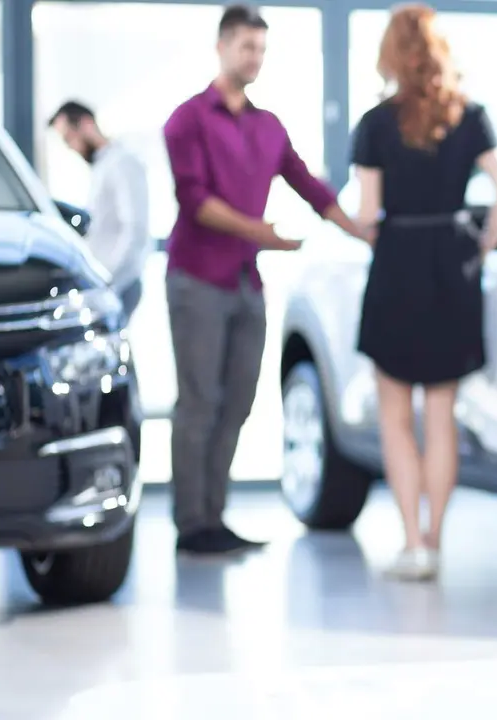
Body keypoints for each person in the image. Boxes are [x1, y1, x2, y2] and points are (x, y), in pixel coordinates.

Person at [163, 3, 369, 555]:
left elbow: (311, 187)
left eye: (261, 49)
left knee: (238, 402)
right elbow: (196, 201)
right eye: (246, 47)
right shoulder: (187, 120)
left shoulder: (268, 125)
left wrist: (363, 232)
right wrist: (265, 234)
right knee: (199, 401)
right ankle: (191, 524)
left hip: (245, 284)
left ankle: (215, 515)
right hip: (197, 279)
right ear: (222, 47)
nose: (255, 58)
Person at [351, 3, 497, 581]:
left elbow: (368, 215)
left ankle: (413, 543)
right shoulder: (471, 116)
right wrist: (480, 249)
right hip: (451, 262)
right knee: (440, 412)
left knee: (396, 416)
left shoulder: (373, 124)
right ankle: (437, 543)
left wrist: (358, 229)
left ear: (390, 54)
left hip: (397, 260)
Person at [48, 101, 151, 316]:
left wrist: (107, 281)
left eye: (69, 137)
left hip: (118, 283)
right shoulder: (102, 166)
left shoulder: (122, 163)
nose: (70, 147)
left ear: (86, 124)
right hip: (107, 283)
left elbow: (135, 230)